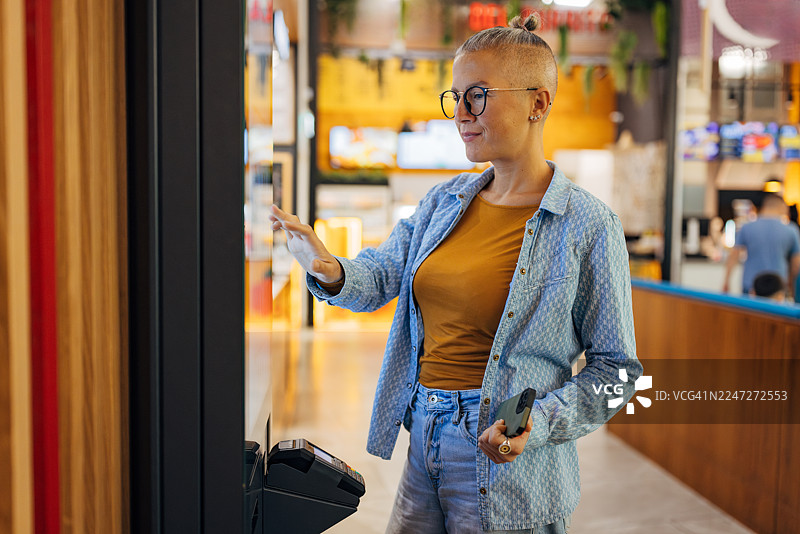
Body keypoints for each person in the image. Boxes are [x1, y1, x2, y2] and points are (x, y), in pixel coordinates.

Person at [270, 13, 641, 534]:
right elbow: (379, 276)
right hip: (424, 431)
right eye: (456, 97)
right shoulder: (444, 201)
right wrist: (327, 267)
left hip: (507, 453)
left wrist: (532, 422)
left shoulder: (588, 225)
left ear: (539, 102)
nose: (461, 113)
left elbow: (617, 372)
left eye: (479, 95)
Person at [723, 193, 800, 300]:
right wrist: (792, 286)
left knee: (750, 316)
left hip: (750, 286)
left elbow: (733, 256)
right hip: (778, 289)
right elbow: (796, 264)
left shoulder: (747, 227)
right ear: (782, 207)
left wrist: (726, 281)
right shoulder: (791, 230)